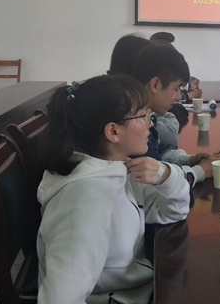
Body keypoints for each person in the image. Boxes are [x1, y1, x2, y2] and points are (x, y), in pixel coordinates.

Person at [37, 74, 190, 303]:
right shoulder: (85, 203)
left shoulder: (119, 168)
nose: (150, 123)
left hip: (140, 289)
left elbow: (173, 211)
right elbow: (59, 298)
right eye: (143, 115)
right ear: (113, 132)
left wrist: (165, 175)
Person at [131, 42, 220, 185]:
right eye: (176, 89)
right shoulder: (132, 125)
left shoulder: (147, 113)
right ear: (155, 85)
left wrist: (190, 159)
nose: (178, 97)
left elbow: (157, 150)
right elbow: (156, 177)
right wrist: (200, 171)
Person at [150, 31, 202, 101]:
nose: (172, 50)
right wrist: (189, 95)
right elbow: (166, 94)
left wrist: (189, 84)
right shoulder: (157, 68)